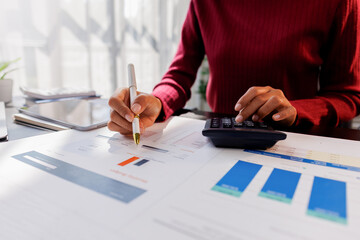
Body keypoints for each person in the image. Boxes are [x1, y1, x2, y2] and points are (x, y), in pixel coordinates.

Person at [108, 0, 360, 135]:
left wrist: (296, 110)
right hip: (218, 143)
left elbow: (348, 95)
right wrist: (156, 101)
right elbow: (180, 73)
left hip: (293, 141)